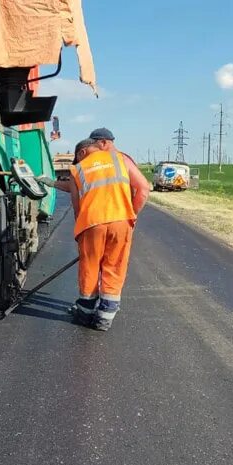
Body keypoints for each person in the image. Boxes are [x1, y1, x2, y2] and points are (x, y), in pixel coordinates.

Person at [43, 128, 150, 331]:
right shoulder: (121, 160)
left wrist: (80, 228)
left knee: (90, 266)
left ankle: (85, 313)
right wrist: (131, 215)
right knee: (115, 266)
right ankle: (104, 318)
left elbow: (76, 202)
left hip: (91, 223)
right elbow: (144, 189)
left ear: (82, 152)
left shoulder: (79, 168)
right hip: (120, 221)